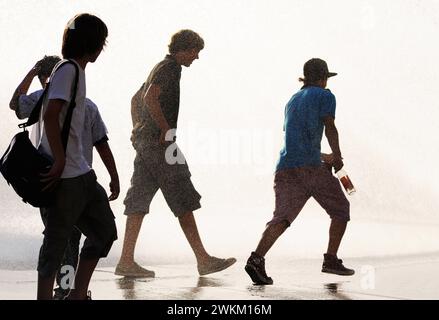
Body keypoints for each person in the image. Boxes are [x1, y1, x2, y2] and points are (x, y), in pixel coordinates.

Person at [115, 29, 236, 277]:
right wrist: (165, 129)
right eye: (195, 52)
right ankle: (203, 259)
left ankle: (126, 261)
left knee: (138, 199)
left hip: (146, 144)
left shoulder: (158, 67)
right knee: (182, 193)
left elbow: (135, 99)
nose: (196, 58)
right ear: (185, 49)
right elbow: (149, 98)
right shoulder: (171, 68)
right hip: (160, 145)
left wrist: (137, 130)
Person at [9, 55, 119, 299]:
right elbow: (102, 143)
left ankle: (66, 291)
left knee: (61, 241)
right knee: (72, 239)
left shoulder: (41, 100)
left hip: (55, 182)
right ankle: (69, 291)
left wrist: (32, 71)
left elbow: (15, 104)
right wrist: (113, 175)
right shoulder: (84, 104)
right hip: (77, 181)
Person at [245, 58, 355, 285]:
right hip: (311, 169)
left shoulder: (292, 100)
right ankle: (331, 260)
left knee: (282, 218)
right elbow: (330, 127)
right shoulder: (325, 95)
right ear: (323, 78)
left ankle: (256, 259)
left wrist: (326, 157)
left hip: (286, 168)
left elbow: (298, 142)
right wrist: (338, 156)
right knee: (341, 209)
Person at [36, 13, 118, 300]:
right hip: (66, 177)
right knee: (56, 245)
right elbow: (50, 114)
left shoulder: (74, 71)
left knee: (104, 232)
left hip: (81, 173)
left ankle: (77, 295)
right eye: (101, 43)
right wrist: (59, 160)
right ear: (93, 45)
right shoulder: (68, 70)